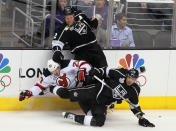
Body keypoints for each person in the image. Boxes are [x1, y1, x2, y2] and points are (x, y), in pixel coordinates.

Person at [52, 66, 155, 127]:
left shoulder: (134, 90)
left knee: (99, 122)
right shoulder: (120, 73)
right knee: (64, 94)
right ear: (126, 75)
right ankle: (51, 87)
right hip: (93, 91)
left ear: (136, 79)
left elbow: (134, 105)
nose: (129, 80)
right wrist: (96, 71)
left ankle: (73, 117)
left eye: (132, 79)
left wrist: (141, 118)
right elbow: (105, 71)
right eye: (128, 77)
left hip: (101, 103)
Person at [19, 58, 91, 101]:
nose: (55, 73)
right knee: (63, 93)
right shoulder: (47, 74)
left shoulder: (67, 64)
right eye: (52, 71)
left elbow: (84, 64)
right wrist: (29, 92)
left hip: (80, 84)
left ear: (59, 66)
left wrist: (82, 70)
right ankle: (50, 88)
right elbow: (39, 86)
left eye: (56, 70)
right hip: (67, 90)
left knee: (89, 78)